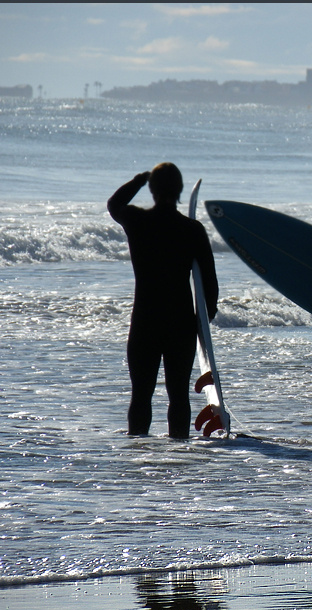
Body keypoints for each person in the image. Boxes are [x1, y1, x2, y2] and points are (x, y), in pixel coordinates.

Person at [107, 162, 219, 438]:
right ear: (180, 190)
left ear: (153, 190)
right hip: (180, 323)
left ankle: (137, 450)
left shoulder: (137, 221)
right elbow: (210, 284)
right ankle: (179, 454)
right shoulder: (192, 230)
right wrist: (204, 320)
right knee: (178, 396)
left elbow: (114, 204)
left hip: (145, 319)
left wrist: (138, 180)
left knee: (141, 395)